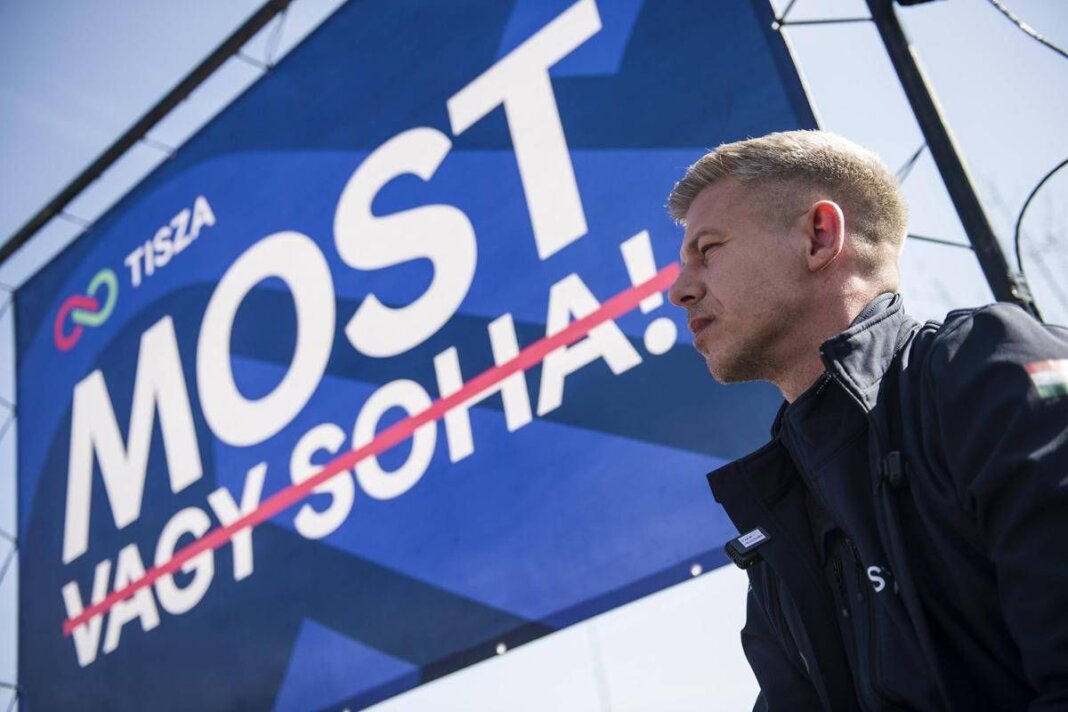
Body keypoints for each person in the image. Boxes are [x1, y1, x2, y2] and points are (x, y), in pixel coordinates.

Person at [665, 130, 1068, 710]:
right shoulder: (780, 520)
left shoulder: (985, 372)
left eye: (708, 250)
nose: (680, 291)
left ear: (819, 237)